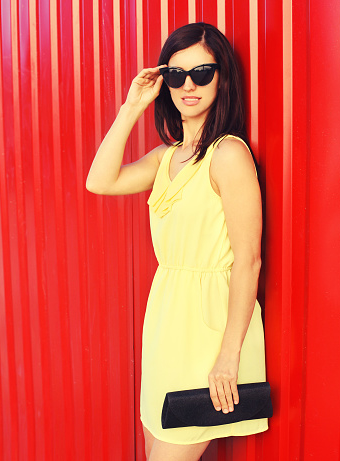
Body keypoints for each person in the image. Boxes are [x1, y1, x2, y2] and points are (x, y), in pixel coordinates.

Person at [86, 22, 268, 461]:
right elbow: (99, 181)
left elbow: (248, 261)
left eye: (202, 73)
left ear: (222, 77)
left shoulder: (229, 154)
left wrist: (229, 355)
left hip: (208, 330)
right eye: (176, 74)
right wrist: (131, 106)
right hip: (167, 321)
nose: (189, 85)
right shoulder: (166, 156)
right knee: (154, 448)